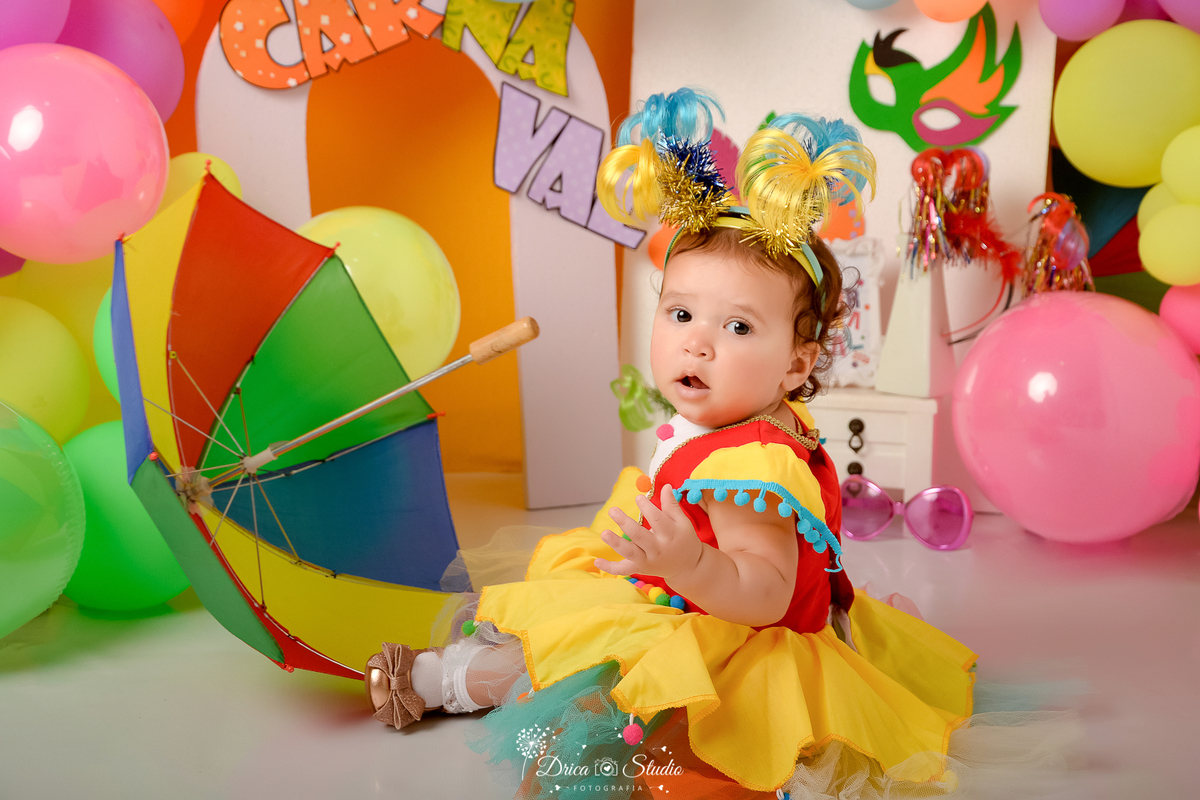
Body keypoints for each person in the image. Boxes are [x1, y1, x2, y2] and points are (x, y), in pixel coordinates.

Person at [363, 90, 1075, 800]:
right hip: (680, 593)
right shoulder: (737, 420)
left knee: (591, 674)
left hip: (734, 637)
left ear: (795, 363)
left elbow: (764, 593)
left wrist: (690, 562)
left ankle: (441, 681)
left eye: (738, 327)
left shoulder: (754, 464)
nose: (697, 342)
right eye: (679, 313)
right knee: (573, 625)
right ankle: (454, 676)